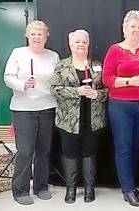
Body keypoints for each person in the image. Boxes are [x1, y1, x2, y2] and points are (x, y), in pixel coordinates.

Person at [4, 20, 59, 205]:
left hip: (47, 108)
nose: (36, 37)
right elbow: (8, 77)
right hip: (23, 109)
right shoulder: (18, 53)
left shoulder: (53, 56)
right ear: (28, 35)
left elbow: (57, 80)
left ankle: (41, 186)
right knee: (25, 151)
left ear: (46, 37)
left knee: (43, 151)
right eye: (33, 33)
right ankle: (20, 190)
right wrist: (22, 85)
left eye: (40, 34)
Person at [49, 29, 108, 204]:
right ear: (70, 44)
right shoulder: (62, 65)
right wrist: (77, 91)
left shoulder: (97, 65)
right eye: (77, 42)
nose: (80, 45)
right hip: (68, 120)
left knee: (90, 152)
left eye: (84, 42)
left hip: (93, 118)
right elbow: (54, 89)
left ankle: (90, 188)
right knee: (70, 153)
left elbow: (108, 90)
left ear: (88, 44)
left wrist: (97, 94)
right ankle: (71, 188)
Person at [102, 9, 139, 207]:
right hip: (121, 106)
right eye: (133, 26)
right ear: (124, 29)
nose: (136, 30)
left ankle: (130, 182)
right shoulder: (115, 50)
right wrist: (128, 81)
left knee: (135, 146)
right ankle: (127, 189)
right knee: (123, 147)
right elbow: (106, 78)